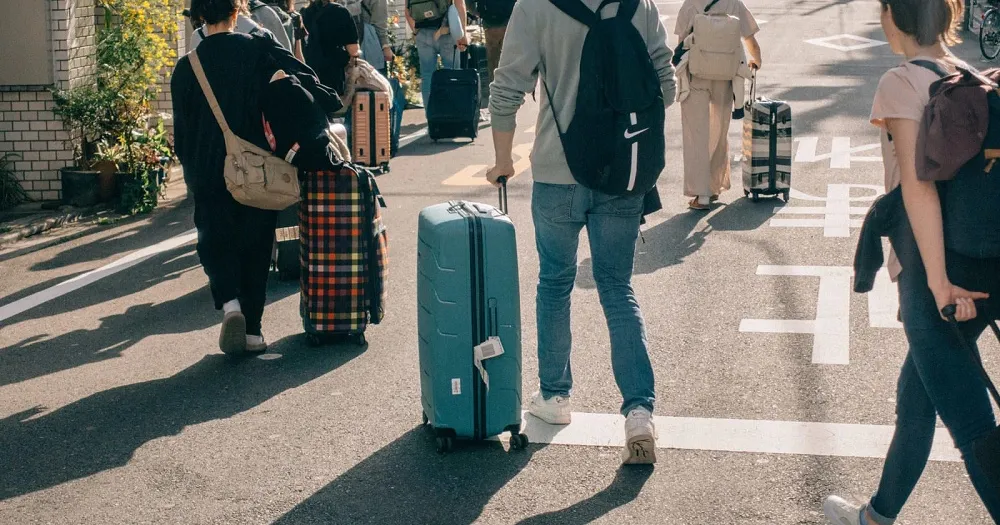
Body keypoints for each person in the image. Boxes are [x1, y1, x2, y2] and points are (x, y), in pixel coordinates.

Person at [823, 1, 1000, 523]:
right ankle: (877, 515)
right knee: (917, 400)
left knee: (972, 428)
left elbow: (917, 190)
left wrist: (939, 283)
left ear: (891, 20)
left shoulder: (901, 83)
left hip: (935, 277)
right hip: (986, 263)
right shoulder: (974, 78)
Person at [486, 0, 675, 464]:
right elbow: (665, 86)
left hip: (558, 170)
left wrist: (504, 160)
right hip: (624, 172)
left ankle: (554, 397)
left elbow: (506, 88)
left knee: (555, 282)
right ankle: (638, 411)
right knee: (616, 285)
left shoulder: (534, 6)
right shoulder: (640, 4)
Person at [172, 0, 341, 355]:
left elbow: (182, 134)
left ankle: (229, 304)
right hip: (257, 166)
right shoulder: (256, 53)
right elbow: (291, 100)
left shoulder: (186, 68)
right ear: (237, 12)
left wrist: (193, 171)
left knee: (213, 239)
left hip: (207, 170)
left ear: (199, 15)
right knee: (255, 243)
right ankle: (252, 331)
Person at [675, 0, 761, 211]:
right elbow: (749, 38)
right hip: (725, 76)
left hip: (696, 74)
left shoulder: (690, 3)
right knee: (718, 131)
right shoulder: (733, 3)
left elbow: (681, 42)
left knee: (696, 134)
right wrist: (756, 60)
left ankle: (701, 194)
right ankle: (713, 186)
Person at [405, 0, 469, 112]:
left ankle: (432, 117)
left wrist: (416, 32)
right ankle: (452, 113)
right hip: (446, 32)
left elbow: (407, 10)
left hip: (423, 32)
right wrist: (462, 34)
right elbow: (459, 4)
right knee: (452, 74)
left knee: (427, 76)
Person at [301, 0, 361, 96]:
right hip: (333, 74)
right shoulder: (341, 12)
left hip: (309, 73)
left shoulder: (304, 13)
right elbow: (353, 50)